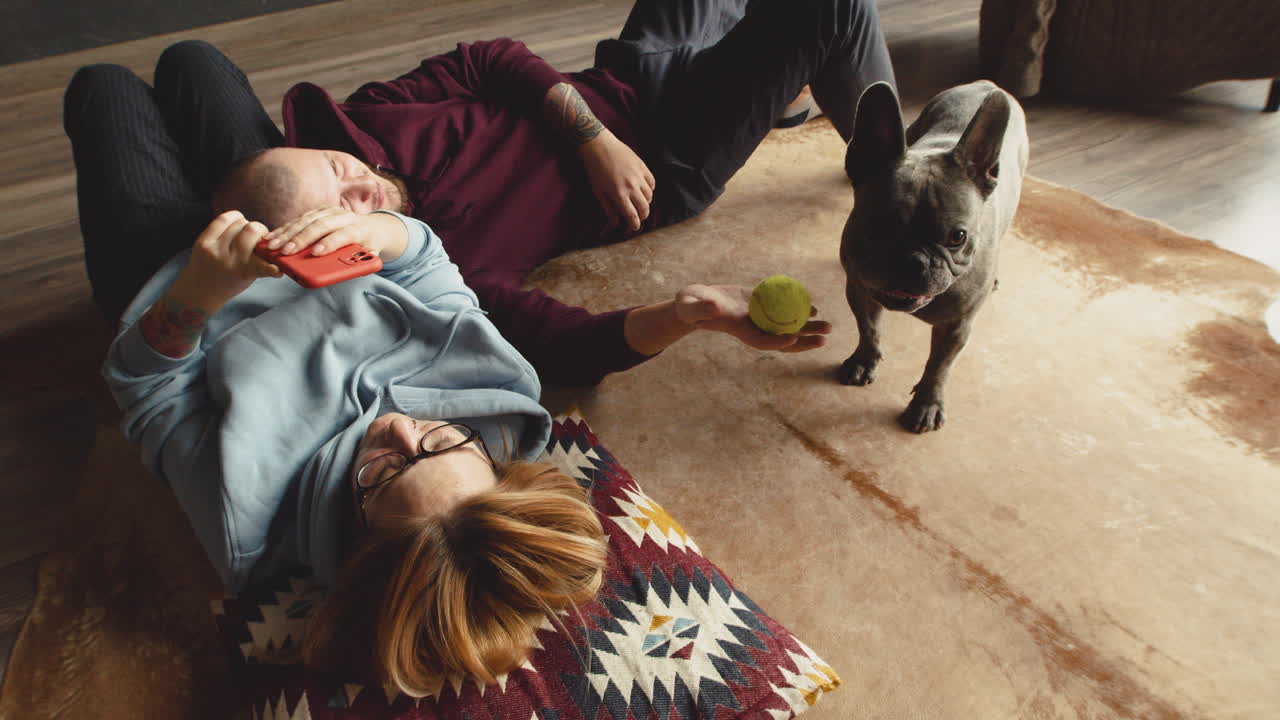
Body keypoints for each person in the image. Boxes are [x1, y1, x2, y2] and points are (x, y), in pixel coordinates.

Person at [62, 0, 894, 694]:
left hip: (170, 280)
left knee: (103, 89)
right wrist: (364, 230)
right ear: (484, 456)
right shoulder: (492, 403)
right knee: (194, 61)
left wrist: (196, 296)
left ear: (357, 547)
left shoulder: (247, 526)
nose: (394, 433)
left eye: (379, 477)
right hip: (304, 228)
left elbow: (144, 386)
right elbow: (427, 257)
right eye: (437, 442)